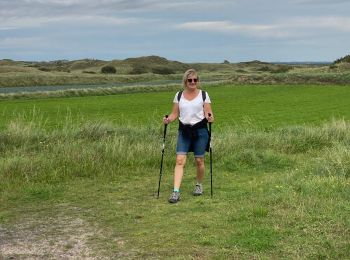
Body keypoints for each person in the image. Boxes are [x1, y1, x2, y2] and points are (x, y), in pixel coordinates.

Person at [163, 69, 214, 203]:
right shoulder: (179, 95)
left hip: (200, 131)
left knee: (199, 161)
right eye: (190, 80)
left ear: (198, 81)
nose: (192, 82)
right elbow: (174, 114)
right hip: (184, 131)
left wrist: (210, 118)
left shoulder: (204, 95)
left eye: (195, 80)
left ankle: (198, 185)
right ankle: (175, 192)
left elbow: (209, 112)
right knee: (180, 160)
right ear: (185, 81)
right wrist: (168, 119)